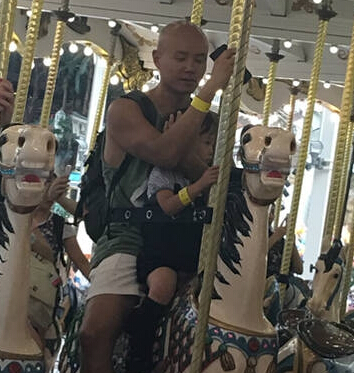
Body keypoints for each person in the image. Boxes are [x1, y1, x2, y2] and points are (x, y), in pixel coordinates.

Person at [79, 20, 235, 373]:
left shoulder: (208, 122)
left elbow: (211, 181)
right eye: (180, 58)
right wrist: (210, 89)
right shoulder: (126, 109)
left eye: (199, 60)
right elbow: (163, 153)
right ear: (157, 58)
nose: (191, 67)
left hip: (181, 234)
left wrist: (186, 146)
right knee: (94, 333)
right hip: (129, 234)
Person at [128, 112, 218, 372]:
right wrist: (199, 186)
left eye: (214, 145)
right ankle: (139, 347)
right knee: (163, 284)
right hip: (161, 256)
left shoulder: (208, 179)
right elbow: (168, 206)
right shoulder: (164, 172)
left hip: (191, 259)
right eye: (206, 143)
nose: (210, 151)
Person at [30, 174, 90, 371]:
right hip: (12, 294)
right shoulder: (14, 216)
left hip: (41, 301)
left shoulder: (59, 225)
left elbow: (81, 262)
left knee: (41, 350)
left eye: (52, 183)